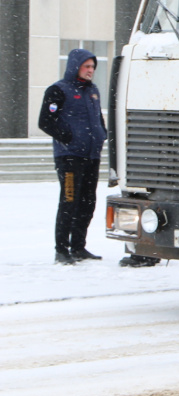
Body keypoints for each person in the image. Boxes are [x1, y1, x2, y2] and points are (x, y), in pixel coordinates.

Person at [38, 48, 107, 264]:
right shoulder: (58, 90)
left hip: (91, 156)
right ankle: (62, 249)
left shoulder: (93, 90)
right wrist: (67, 136)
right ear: (75, 66)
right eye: (86, 66)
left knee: (88, 202)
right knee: (69, 201)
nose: (90, 71)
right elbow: (45, 121)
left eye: (93, 67)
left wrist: (102, 135)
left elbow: (98, 118)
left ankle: (78, 247)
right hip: (69, 157)